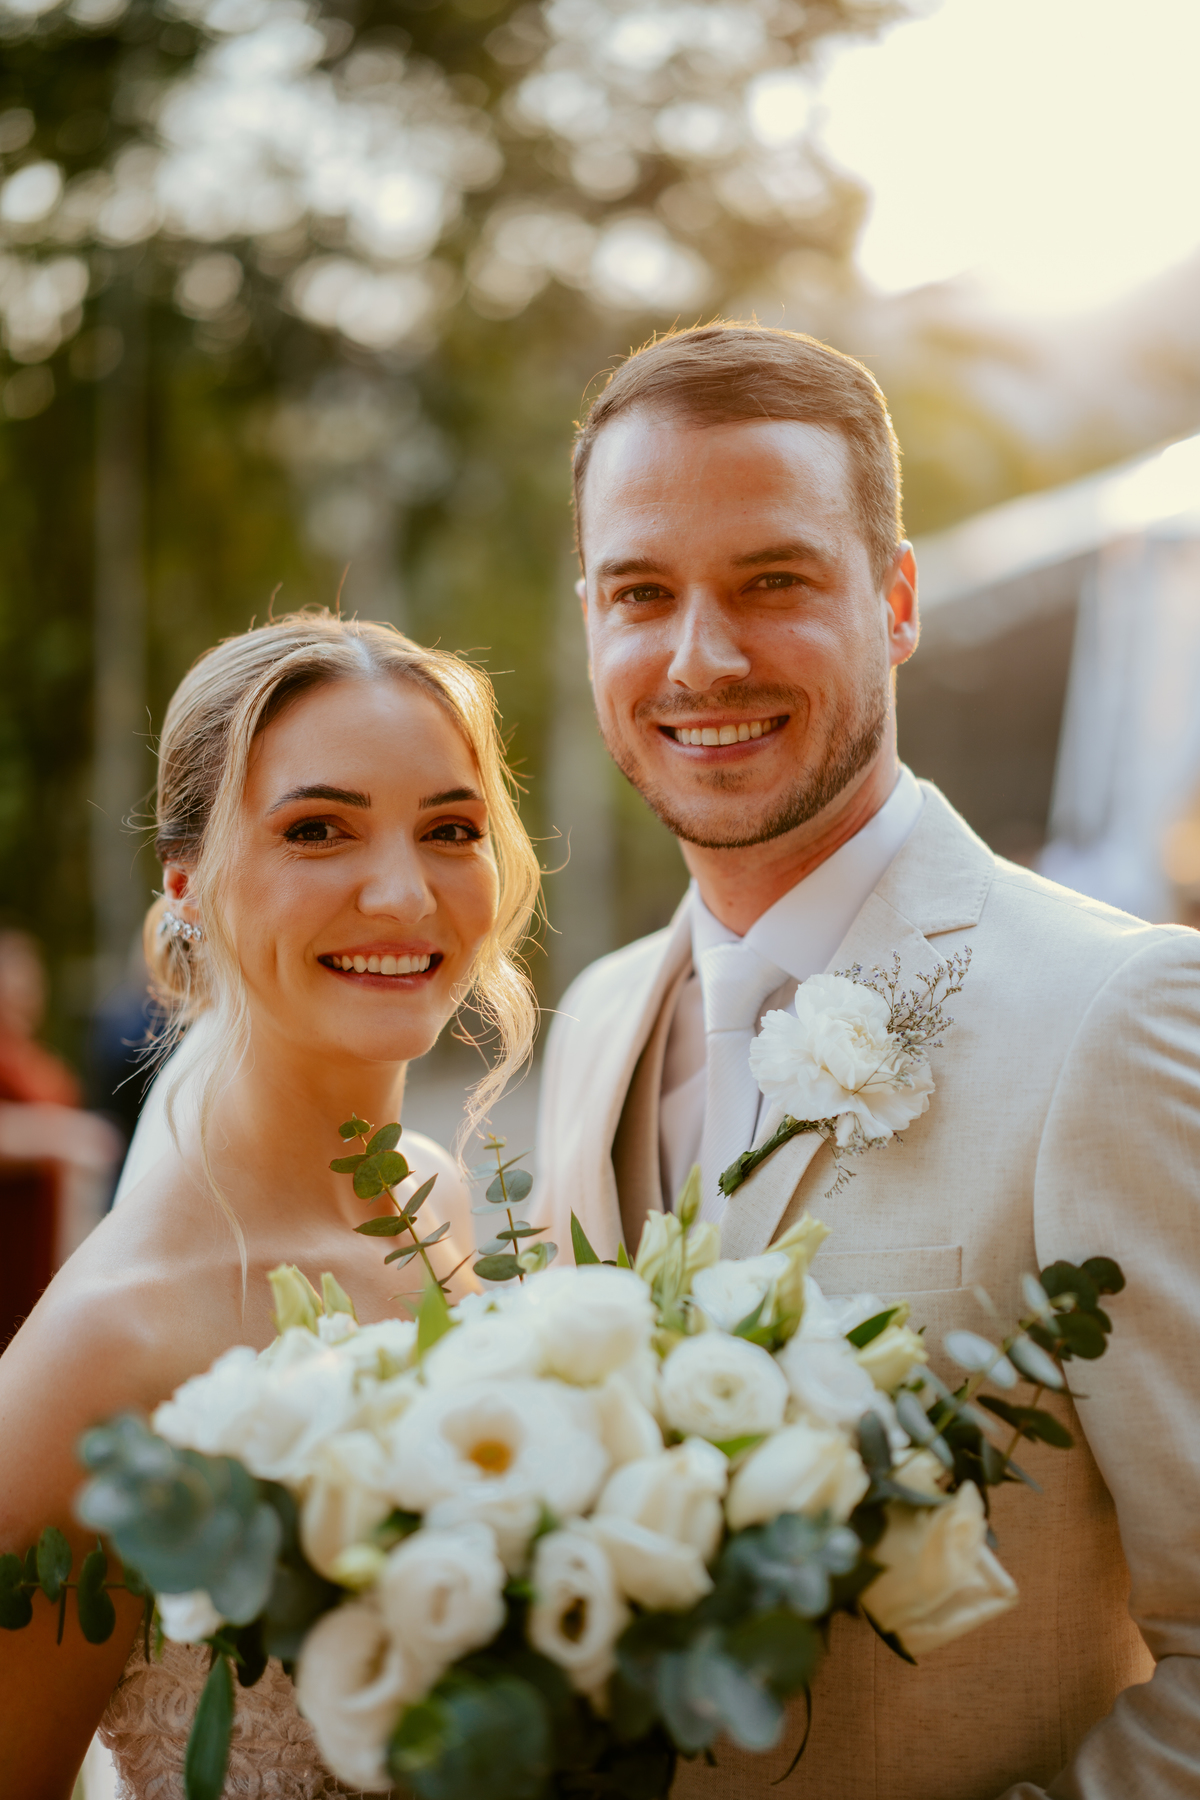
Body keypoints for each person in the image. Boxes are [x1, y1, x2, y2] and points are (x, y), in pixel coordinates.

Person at [533, 324, 1200, 1799]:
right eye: (641, 593)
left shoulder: (1119, 1014)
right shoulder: (588, 1025)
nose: (701, 657)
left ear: (895, 600)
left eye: (774, 581)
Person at [0, 610, 540, 1799]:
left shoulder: (441, 1206)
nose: (403, 892)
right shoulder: (116, 1340)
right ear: (185, 883)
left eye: (450, 829)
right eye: (317, 830)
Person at [0, 931, 123, 1349]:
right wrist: (59, 1137)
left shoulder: (40, 1060)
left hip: (49, 1234)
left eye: (27, 984)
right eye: (9, 984)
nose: (20, 995)